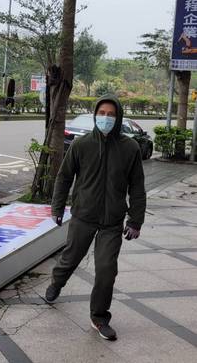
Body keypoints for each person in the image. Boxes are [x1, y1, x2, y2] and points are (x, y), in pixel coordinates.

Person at [46, 95, 146, 341]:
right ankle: (57, 282)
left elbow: (137, 187)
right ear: (95, 115)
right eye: (102, 113)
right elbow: (64, 177)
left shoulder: (129, 148)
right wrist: (57, 207)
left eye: (111, 114)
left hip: (112, 221)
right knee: (70, 259)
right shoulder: (82, 145)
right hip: (83, 216)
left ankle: (99, 317)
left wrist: (135, 221)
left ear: (119, 117)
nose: (106, 118)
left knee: (106, 270)